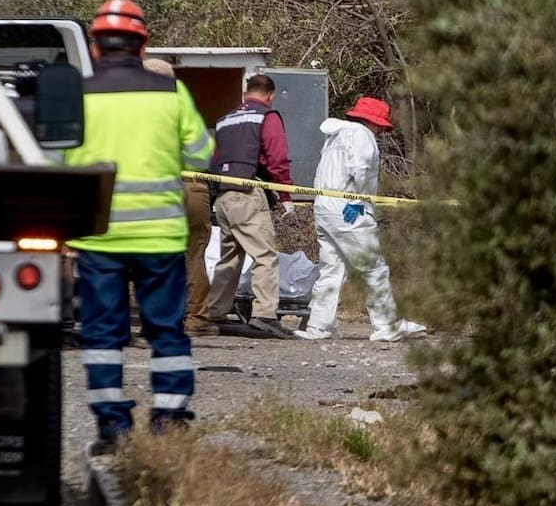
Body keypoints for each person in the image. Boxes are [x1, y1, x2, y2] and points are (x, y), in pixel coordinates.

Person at [62, 0, 215, 454]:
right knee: (167, 331)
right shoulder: (170, 93)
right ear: (142, 43)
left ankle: (112, 427)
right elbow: (201, 154)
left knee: (103, 337)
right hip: (160, 237)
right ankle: (169, 420)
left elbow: (57, 160)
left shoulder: (78, 94)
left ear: (94, 45)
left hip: (98, 236)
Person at [296, 96, 427, 342]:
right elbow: (361, 167)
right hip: (347, 207)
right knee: (373, 266)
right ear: (373, 122)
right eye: (380, 126)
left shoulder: (335, 135)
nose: (380, 131)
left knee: (331, 268)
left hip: (324, 206)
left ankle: (319, 325)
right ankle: (387, 325)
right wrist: (356, 200)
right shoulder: (362, 135)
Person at [204, 73, 297, 339]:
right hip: (247, 194)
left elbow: (214, 158)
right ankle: (265, 315)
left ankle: (215, 311)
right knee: (265, 256)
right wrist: (286, 196)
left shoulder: (225, 120)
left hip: (223, 196)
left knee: (230, 258)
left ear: (246, 93)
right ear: (271, 95)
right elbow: (276, 158)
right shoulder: (267, 117)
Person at [143, 57, 218, 337]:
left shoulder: (136, 110)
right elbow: (203, 151)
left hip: (156, 188)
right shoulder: (184, 109)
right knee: (194, 255)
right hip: (193, 186)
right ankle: (197, 319)